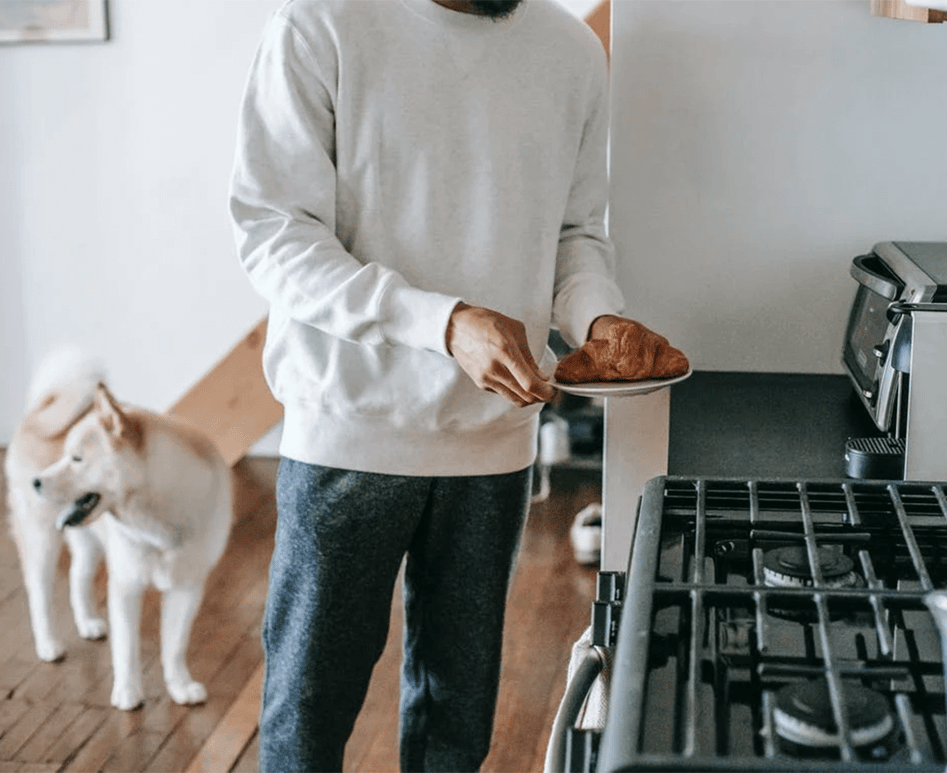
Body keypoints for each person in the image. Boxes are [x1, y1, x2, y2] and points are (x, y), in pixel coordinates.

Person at [229, 0, 680, 770]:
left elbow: (575, 235)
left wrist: (599, 318)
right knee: (307, 718)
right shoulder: (321, 25)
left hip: (494, 445)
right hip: (349, 436)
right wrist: (442, 323)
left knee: (455, 727)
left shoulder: (571, 51)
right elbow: (272, 232)